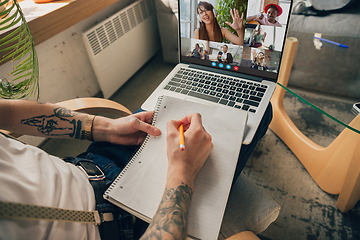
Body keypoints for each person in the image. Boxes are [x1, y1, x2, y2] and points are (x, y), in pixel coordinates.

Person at [0, 99, 272, 239]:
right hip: (124, 224)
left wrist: (106, 128)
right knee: (259, 113)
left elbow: (7, 112)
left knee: (166, 107)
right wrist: (182, 172)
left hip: (87, 166)